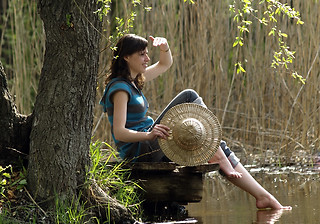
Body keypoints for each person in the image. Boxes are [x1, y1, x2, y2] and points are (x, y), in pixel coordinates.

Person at [100, 34, 291, 210]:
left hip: (148, 142)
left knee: (214, 144)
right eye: (142, 55)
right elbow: (119, 132)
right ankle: (224, 162)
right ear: (126, 57)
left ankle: (263, 196)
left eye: (147, 54)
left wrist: (165, 47)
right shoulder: (120, 89)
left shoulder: (134, 81)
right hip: (138, 150)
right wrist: (149, 134)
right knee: (189, 96)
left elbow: (164, 65)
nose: (147, 59)